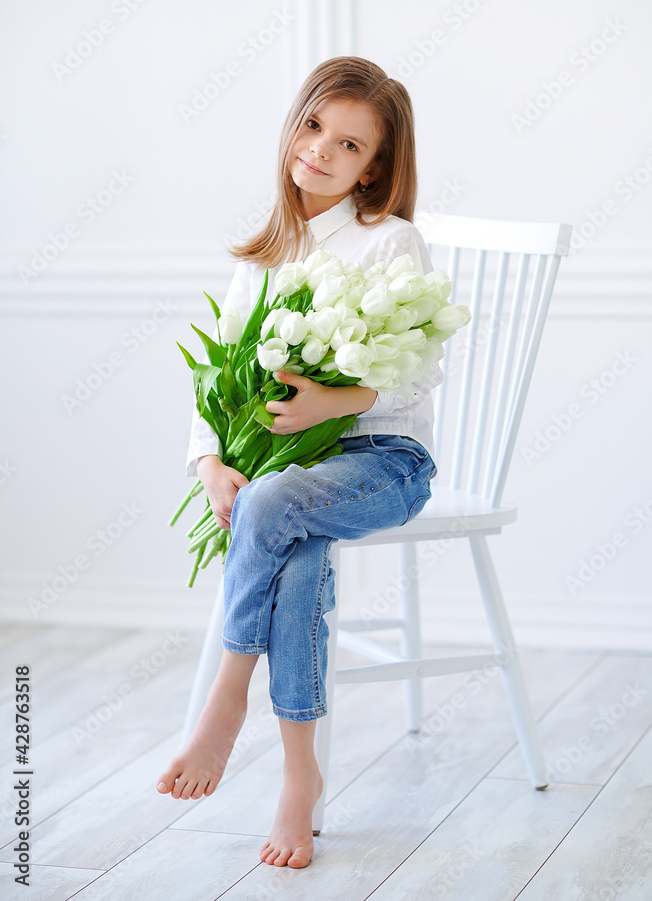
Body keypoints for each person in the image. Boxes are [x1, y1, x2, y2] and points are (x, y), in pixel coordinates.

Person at [156, 56, 442, 868]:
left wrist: (334, 403)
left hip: (385, 459)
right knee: (288, 528)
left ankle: (227, 696)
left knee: (274, 506)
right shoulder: (267, 252)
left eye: (349, 145)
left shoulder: (391, 242)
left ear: (372, 168)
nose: (320, 150)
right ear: (293, 126)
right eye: (314, 127)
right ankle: (298, 773)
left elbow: (421, 374)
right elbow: (218, 379)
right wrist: (209, 463)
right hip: (291, 474)